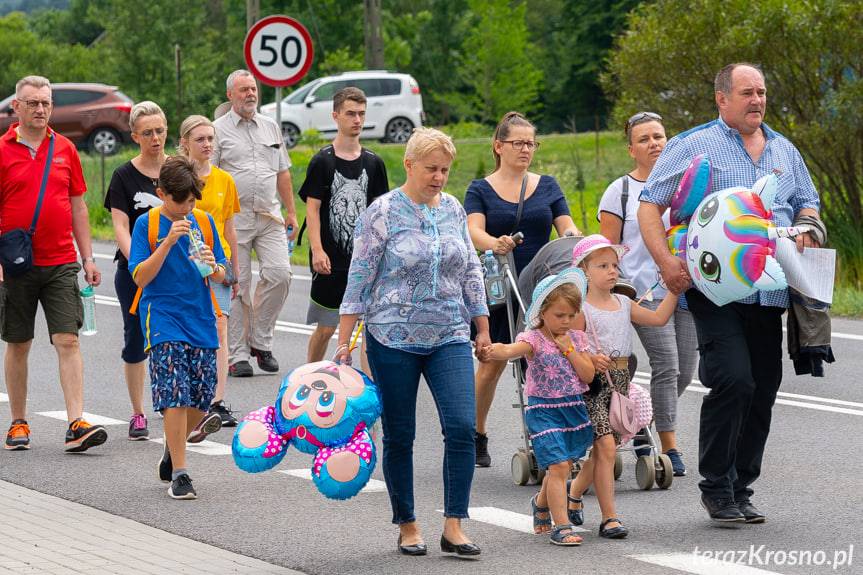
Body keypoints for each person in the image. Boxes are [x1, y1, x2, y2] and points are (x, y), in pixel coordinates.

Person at [638, 63, 821, 524]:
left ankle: (742, 486)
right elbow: (649, 205)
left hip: (770, 292)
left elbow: (808, 203)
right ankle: (717, 488)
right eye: (747, 92)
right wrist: (667, 263)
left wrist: (808, 228)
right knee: (733, 379)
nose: (757, 100)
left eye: (761, 91)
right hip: (713, 290)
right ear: (722, 98)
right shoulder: (692, 144)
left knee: (763, 387)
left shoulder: (784, 149)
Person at [335, 128, 490, 557]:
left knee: (461, 427)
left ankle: (454, 525)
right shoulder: (382, 212)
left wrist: (481, 326)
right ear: (409, 165)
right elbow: (360, 275)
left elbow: (471, 270)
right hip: (391, 337)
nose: (439, 177)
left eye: (445, 170)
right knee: (401, 434)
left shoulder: (454, 209)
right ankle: (407, 524)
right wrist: (344, 342)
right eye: (431, 169)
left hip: (450, 333)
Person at [465, 111, 580, 468]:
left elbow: (566, 225)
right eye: (518, 143)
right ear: (499, 146)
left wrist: (575, 237)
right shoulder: (480, 189)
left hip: (542, 287)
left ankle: (553, 436)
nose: (526, 149)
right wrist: (493, 243)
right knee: (492, 364)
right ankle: (475, 433)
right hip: (503, 284)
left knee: (550, 360)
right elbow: (473, 230)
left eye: (531, 143)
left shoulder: (548, 185)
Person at [0, 75, 107, 452]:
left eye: (45, 103)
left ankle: (76, 423)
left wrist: (88, 258)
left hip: (61, 261)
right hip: (15, 264)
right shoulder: (2, 150)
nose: (40, 109)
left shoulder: (65, 149)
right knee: (19, 343)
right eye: (32, 103)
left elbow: (78, 207)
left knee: (68, 339)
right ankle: (18, 422)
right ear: (17, 107)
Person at [597, 112, 698, 476]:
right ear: (631, 149)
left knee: (685, 371)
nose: (654, 143)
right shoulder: (620, 191)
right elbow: (606, 250)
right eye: (644, 139)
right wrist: (614, 293)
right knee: (667, 364)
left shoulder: (686, 186)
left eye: (658, 136)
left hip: (687, 289)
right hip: (643, 292)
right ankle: (669, 447)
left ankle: (640, 419)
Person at [566, 235, 679, 539]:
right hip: (591, 384)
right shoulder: (580, 309)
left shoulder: (625, 303)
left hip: (619, 383)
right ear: (584, 270)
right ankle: (609, 518)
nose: (612, 271)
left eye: (614, 265)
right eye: (602, 266)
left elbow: (658, 318)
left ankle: (574, 493)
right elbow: (570, 349)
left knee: (605, 450)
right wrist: (590, 358)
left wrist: (674, 291)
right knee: (605, 447)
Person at [128, 155, 227, 500]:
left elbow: (224, 273)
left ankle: (173, 449)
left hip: (200, 316)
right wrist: (167, 242)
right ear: (161, 193)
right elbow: (140, 276)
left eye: (192, 200)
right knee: (174, 393)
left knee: (201, 398)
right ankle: (181, 475)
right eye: (180, 200)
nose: (187, 207)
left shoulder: (204, 221)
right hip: (162, 316)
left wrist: (216, 267)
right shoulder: (148, 224)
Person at [481, 271, 594, 546]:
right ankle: (562, 526)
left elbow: (588, 375)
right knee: (558, 465)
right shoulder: (533, 339)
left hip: (573, 409)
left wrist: (570, 350)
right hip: (544, 411)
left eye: (571, 315)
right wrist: (494, 350)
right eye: (559, 315)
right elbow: (511, 350)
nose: (566, 321)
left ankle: (540, 502)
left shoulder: (576, 339)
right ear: (543, 312)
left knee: (563, 466)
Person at [213, 69, 298, 377]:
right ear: (230, 95)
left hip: (269, 215)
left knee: (280, 274)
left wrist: (291, 212)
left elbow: (283, 172)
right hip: (233, 220)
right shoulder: (217, 130)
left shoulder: (270, 126)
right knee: (238, 284)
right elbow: (210, 177)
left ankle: (260, 342)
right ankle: (237, 355)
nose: (250, 94)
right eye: (243, 90)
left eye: (253, 89)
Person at [298, 87, 388, 368]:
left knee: (367, 331)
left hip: (363, 260)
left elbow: (381, 213)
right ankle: (310, 373)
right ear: (336, 116)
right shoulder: (322, 161)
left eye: (361, 114)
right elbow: (312, 209)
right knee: (326, 328)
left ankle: (368, 385)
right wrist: (317, 250)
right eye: (350, 113)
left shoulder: (374, 163)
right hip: (330, 261)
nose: (357, 120)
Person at [104, 101, 168, 441]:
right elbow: (120, 226)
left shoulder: (177, 169)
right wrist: (138, 263)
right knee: (136, 338)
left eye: (159, 131)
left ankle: (172, 403)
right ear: (135, 137)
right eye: (147, 133)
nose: (155, 138)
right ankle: (138, 412)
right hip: (135, 272)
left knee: (172, 337)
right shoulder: (123, 176)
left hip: (175, 270)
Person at [178, 114, 241, 427]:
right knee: (188, 330)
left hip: (217, 262)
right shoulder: (177, 177)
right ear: (185, 143)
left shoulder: (224, 180)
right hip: (185, 264)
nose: (207, 144)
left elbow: (229, 228)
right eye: (200, 139)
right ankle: (187, 397)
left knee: (220, 327)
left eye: (210, 138)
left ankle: (216, 402)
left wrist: (235, 270)